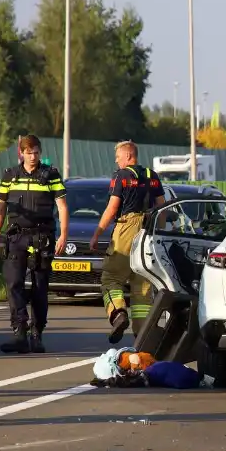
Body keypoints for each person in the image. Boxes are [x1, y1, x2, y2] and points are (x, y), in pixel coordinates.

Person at [0, 135, 70, 353]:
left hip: (42, 238)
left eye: (36, 152)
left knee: (39, 288)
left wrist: (64, 234)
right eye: (29, 153)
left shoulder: (50, 175)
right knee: (13, 283)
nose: (33, 157)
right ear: (21, 153)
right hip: (15, 237)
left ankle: (37, 334)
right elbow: (0, 208)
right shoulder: (10, 175)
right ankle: (19, 332)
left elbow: (62, 206)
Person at [92, 141, 165, 343]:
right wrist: (160, 232)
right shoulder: (152, 176)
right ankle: (142, 336)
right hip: (149, 229)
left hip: (127, 227)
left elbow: (113, 207)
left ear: (128, 156)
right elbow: (163, 208)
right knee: (142, 285)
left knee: (111, 277)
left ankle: (118, 313)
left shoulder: (121, 176)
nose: (116, 161)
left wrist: (97, 233)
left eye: (118, 157)